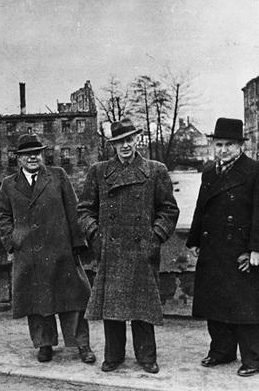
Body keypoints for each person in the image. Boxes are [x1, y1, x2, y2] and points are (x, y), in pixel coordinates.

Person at [77, 118, 179, 374]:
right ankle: (114, 356)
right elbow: (84, 210)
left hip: (142, 249)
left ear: (137, 140)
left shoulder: (155, 170)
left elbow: (168, 210)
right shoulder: (99, 172)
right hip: (111, 250)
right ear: (113, 145)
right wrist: (96, 235)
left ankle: (146, 356)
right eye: (119, 141)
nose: (125, 145)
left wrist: (155, 237)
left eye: (129, 139)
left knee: (143, 307)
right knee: (113, 307)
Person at [186, 118, 259, 377]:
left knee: (248, 306)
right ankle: (222, 350)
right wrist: (195, 239)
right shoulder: (209, 172)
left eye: (229, 144)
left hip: (243, 252)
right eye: (219, 144)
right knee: (216, 302)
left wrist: (258, 249)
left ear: (241, 145)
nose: (224, 149)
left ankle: (255, 358)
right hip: (213, 249)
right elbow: (202, 208)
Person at [0, 134, 96, 364]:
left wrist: (77, 244)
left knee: (73, 299)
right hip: (29, 253)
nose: (32, 157)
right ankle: (44, 343)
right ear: (19, 159)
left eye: (36, 153)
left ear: (42, 155)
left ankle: (82, 344)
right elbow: (2, 215)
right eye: (27, 154)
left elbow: (73, 209)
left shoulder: (58, 176)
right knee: (37, 301)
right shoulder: (8, 184)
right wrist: (13, 240)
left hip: (60, 249)